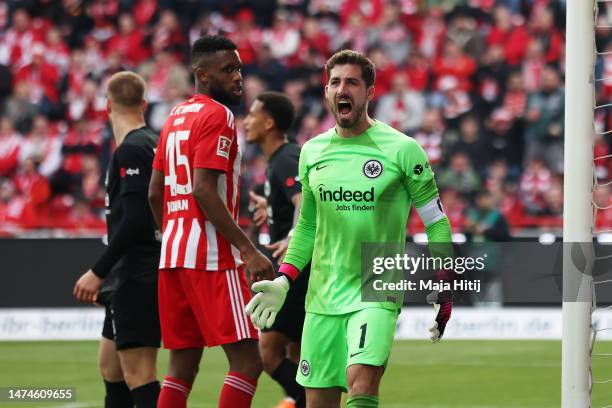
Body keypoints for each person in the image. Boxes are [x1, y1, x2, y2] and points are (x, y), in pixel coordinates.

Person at [245, 50, 454, 408]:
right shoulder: (312, 152)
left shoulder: (403, 149)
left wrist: (444, 282)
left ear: (370, 92)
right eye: (335, 82)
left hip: (377, 285)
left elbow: (436, 221)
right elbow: (307, 227)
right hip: (323, 295)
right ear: (327, 91)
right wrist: (284, 279)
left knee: (361, 384)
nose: (343, 89)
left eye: (353, 83)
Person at [147, 35, 274, 408]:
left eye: (239, 68)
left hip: (173, 254)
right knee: (249, 362)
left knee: (180, 368)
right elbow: (204, 190)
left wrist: (170, 232)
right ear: (202, 75)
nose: (238, 77)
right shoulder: (218, 116)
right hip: (211, 255)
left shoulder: (175, 116)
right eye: (228, 70)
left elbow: (155, 193)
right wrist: (248, 249)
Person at [73, 71, 161, 408]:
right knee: (111, 367)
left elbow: (135, 220)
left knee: (139, 373)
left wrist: (98, 271)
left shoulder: (131, 150)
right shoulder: (154, 142)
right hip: (135, 271)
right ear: (143, 103)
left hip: (139, 272)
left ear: (107, 105)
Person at [244, 91, 307, 408]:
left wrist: (294, 230)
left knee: (268, 352)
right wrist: (272, 208)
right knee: (298, 353)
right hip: (299, 271)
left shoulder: (285, 158)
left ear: (269, 123)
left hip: (296, 271)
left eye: (252, 115)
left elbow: (304, 200)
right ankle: (303, 400)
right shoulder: (279, 160)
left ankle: (307, 400)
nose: (246, 121)